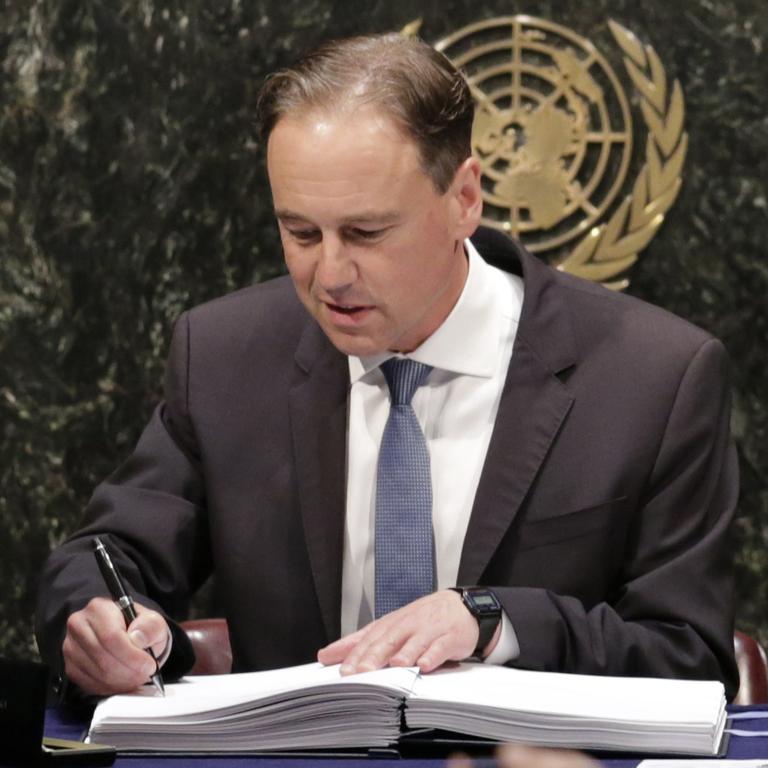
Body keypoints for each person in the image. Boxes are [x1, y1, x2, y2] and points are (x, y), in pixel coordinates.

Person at [35, 32, 739, 700]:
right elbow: (107, 553)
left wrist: (497, 622)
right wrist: (105, 624)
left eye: (367, 233)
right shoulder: (225, 355)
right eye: (300, 231)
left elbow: (689, 657)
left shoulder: (654, 378)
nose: (329, 273)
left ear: (464, 198)